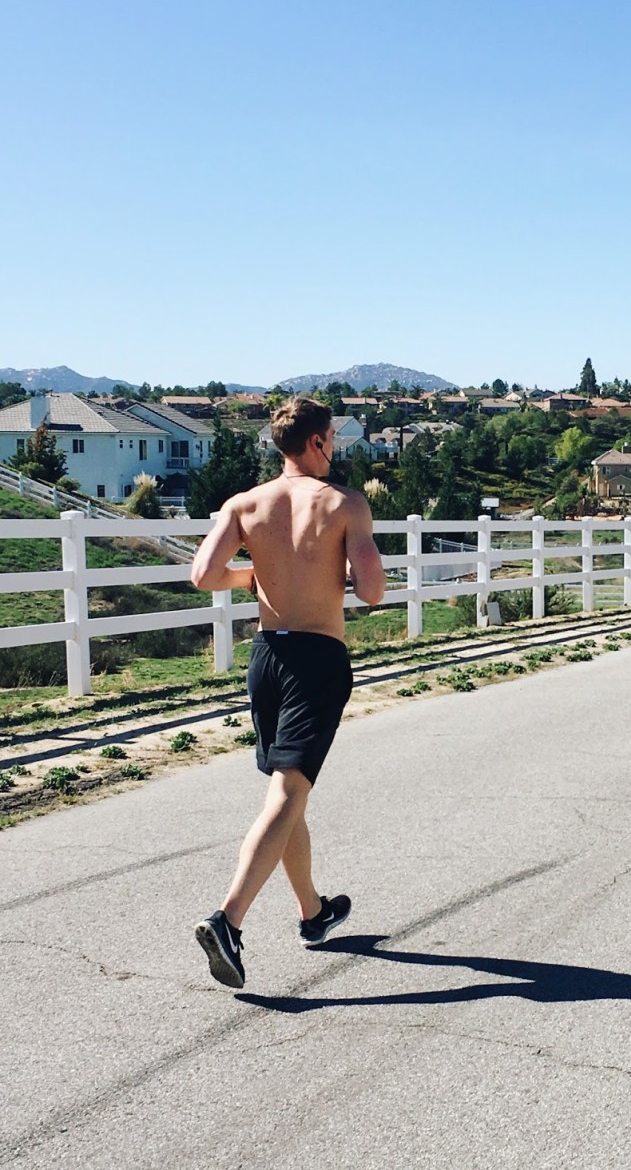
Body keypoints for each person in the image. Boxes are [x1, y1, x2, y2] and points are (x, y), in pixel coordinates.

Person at [190, 397, 386, 988]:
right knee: (287, 791)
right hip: (317, 659)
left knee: (286, 791)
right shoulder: (345, 503)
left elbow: (203, 576)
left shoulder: (244, 504)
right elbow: (373, 592)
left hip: (266, 657)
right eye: (333, 439)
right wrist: (344, 571)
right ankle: (228, 920)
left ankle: (313, 912)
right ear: (319, 441)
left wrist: (253, 574)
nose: (336, 449)